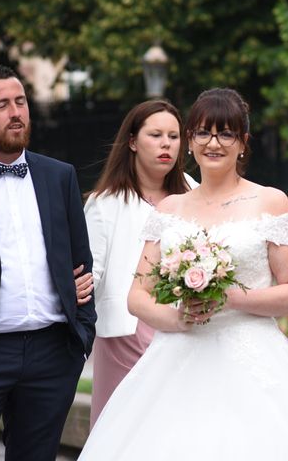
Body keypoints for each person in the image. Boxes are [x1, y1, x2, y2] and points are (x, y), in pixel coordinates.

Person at [79, 88, 288, 460]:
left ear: (242, 142)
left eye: (226, 133)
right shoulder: (169, 208)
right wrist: (177, 318)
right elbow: (137, 296)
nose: (214, 143)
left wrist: (229, 297)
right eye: (203, 133)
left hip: (251, 355)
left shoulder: (271, 202)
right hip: (176, 354)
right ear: (191, 141)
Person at [0, 65, 96, 461]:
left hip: (52, 354)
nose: (16, 112)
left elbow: (81, 261)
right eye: (1, 105)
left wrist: (81, 336)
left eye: (20, 101)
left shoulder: (59, 176)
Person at [81, 99, 197, 427]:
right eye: (156, 135)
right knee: (124, 429)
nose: (166, 144)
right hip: (125, 333)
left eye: (174, 137)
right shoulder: (106, 203)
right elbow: (93, 272)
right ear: (132, 141)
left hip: (186, 323)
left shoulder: (195, 193)